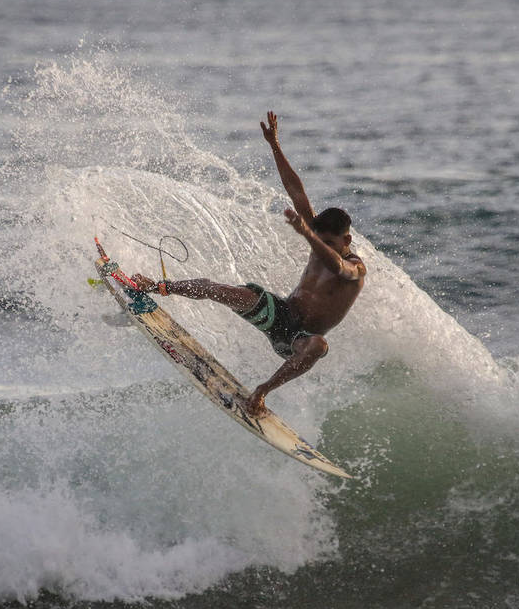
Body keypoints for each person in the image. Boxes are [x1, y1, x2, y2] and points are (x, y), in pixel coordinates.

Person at [132, 111, 366, 417]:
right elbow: (297, 191)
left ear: (346, 241)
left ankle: (260, 393)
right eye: (318, 239)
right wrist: (275, 145)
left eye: (330, 243)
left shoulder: (355, 269)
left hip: (298, 338)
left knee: (318, 346)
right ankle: (158, 286)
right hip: (280, 314)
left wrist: (308, 234)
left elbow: (337, 267)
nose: (320, 246)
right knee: (221, 290)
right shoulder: (318, 234)